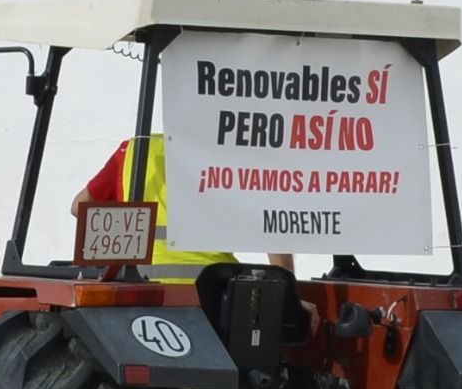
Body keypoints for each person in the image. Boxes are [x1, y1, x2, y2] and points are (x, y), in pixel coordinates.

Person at [72, 134, 318, 330]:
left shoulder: (134, 152)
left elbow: (79, 207)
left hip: (144, 292)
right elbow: (271, 225)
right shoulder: (228, 151)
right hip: (216, 295)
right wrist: (287, 293)